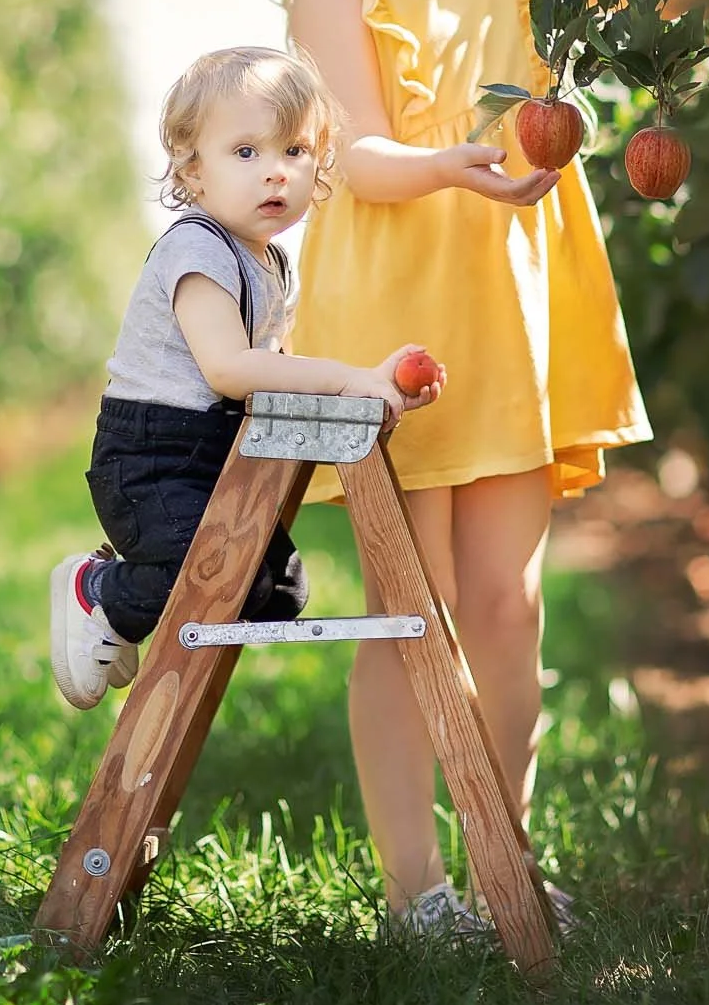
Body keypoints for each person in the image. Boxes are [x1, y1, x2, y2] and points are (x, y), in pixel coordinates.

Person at [257, 0, 709, 936]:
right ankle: (416, 891)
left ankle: (504, 860)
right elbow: (355, 155)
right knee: (406, 607)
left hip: (510, 290)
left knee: (504, 603)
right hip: (395, 299)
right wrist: (456, 166)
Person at [50, 45, 442, 712]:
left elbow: (279, 375)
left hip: (213, 455)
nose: (275, 174)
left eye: (294, 150)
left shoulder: (272, 263)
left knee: (278, 590)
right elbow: (231, 370)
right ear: (192, 171)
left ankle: (128, 600)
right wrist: (347, 380)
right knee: (200, 570)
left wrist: (372, 380)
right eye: (246, 153)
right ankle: (103, 592)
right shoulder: (197, 249)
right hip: (151, 457)